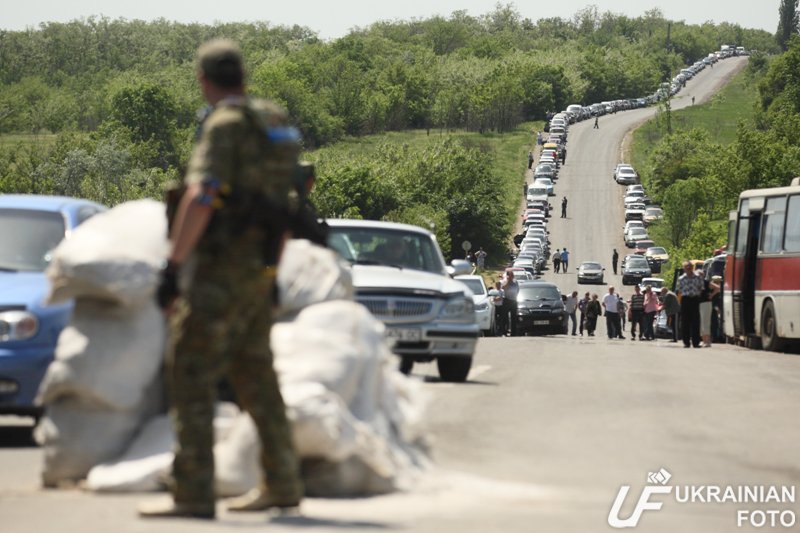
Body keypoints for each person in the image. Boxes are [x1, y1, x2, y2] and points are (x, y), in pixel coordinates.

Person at [139, 39, 303, 519]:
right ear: (242, 76)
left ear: (204, 80)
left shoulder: (224, 126)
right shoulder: (272, 121)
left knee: (189, 371)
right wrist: (272, 271)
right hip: (260, 267)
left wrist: (172, 267)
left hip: (219, 271)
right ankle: (284, 482)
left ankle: (193, 491)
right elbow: (283, 209)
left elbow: (203, 194)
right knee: (256, 376)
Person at [677, 260, 704, 348]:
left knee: (696, 321)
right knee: (685, 322)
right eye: (686, 267)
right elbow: (680, 290)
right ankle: (686, 342)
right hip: (685, 300)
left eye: (689, 267)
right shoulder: (681, 279)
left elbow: (701, 288)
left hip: (695, 299)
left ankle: (696, 342)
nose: (688, 268)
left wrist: (696, 295)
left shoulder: (698, 277)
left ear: (692, 267)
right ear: (684, 268)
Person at [699, 271, 721, 347]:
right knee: (701, 323)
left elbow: (718, 288)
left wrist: (711, 295)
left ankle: (708, 341)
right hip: (700, 304)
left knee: (706, 323)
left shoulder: (706, 282)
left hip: (706, 303)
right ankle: (703, 340)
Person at [502, 270, 520, 336]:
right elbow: (503, 288)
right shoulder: (504, 281)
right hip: (507, 300)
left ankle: (513, 332)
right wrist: (508, 282)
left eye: (512, 275)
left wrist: (515, 296)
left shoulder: (516, 282)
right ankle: (504, 332)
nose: (512, 276)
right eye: (510, 275)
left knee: (514, 317)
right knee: (505, 317)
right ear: (507, 276)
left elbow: (518, 290)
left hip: (514, 301)